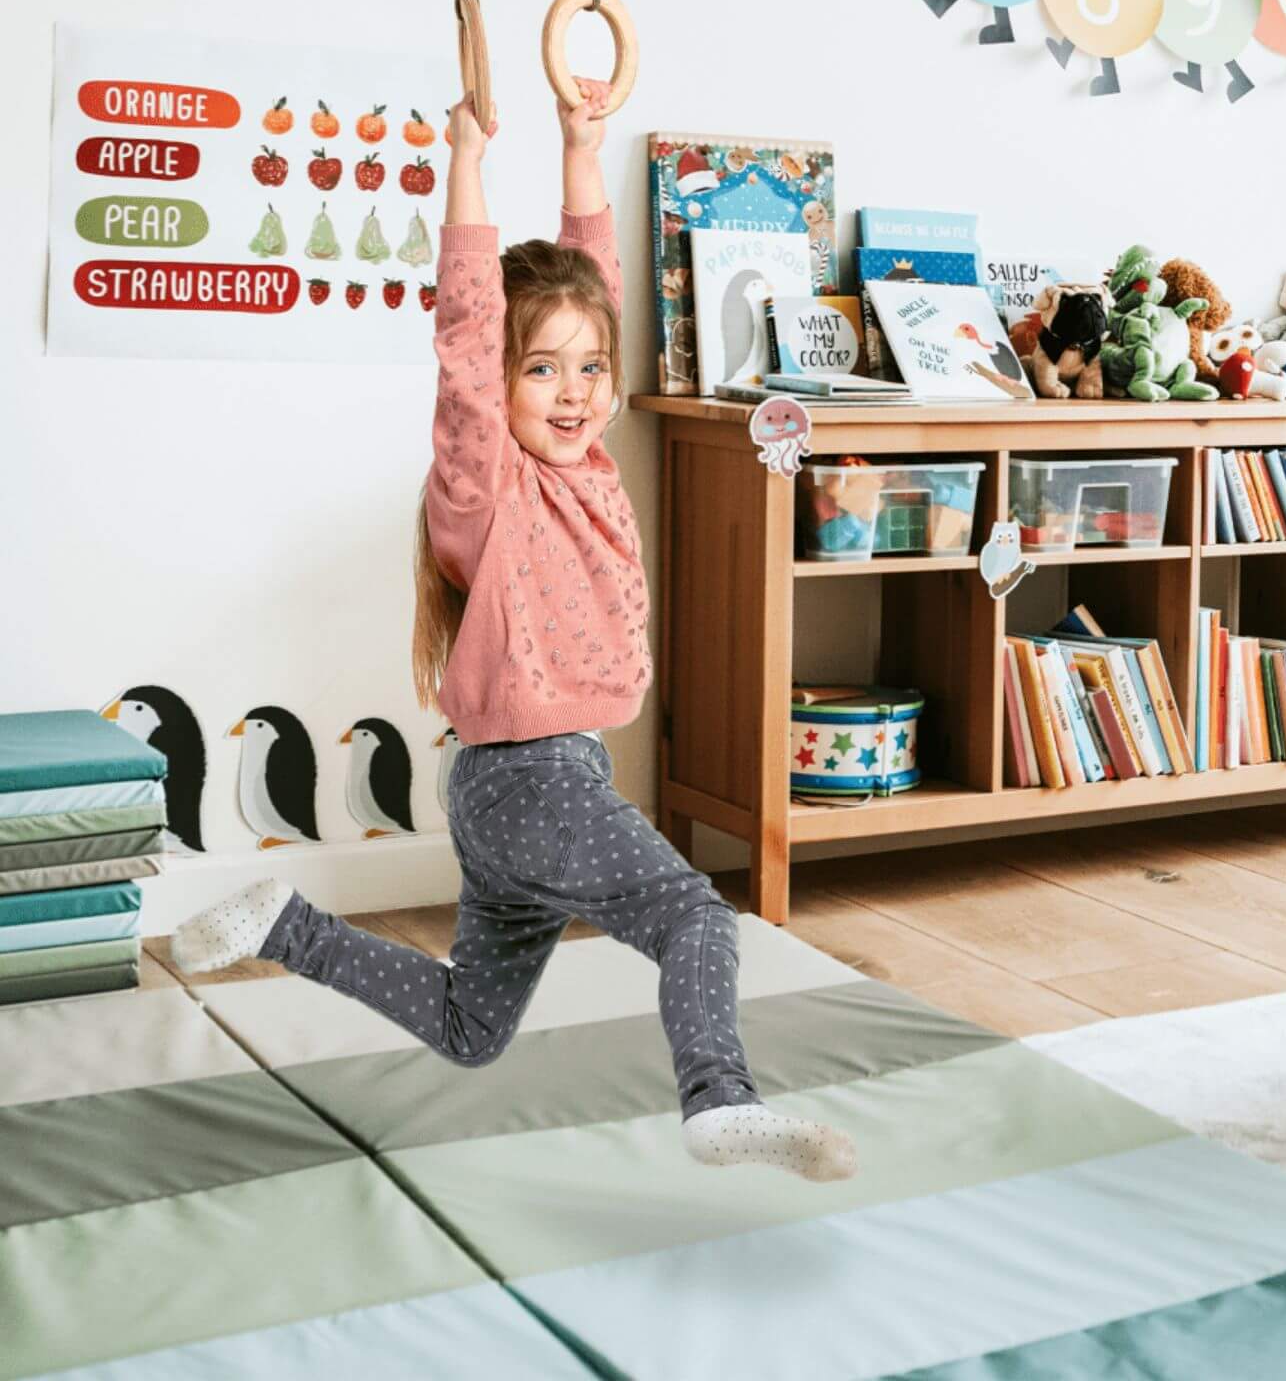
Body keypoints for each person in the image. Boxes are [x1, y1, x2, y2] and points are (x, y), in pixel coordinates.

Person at [170, 79, 856, 1184]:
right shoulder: (486, 492)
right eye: (542, 370)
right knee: (699, 921)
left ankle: (283, 925)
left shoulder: (585, 464)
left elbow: (600, 289)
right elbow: (466, 332)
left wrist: (585, 148)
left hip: (525, 785)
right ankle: (718, 1101)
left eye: (591, 369)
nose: (577, 393)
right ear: (495, 392)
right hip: (537, 785)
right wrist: (470, 162)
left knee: (467, 1024)